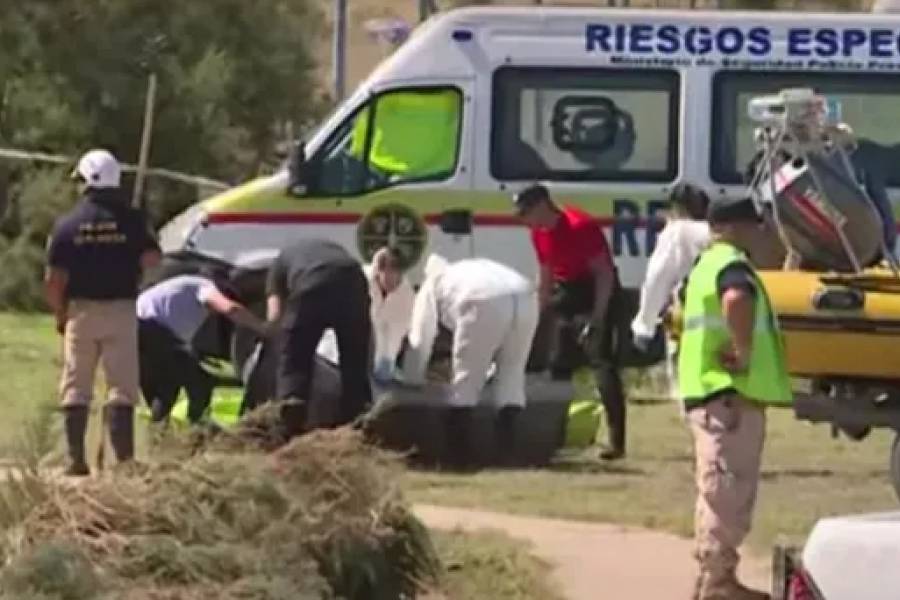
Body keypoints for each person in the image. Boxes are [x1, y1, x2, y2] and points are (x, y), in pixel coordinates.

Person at [678, 195, 792, 600]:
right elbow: (736, 299)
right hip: (728, 393)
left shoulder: (702, 265)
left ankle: (713, 577)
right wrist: (743, 351)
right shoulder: (731, 265)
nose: (761, 233)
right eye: (755, 225)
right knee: (727, 487)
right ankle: (718, 583)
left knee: (716, 488)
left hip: (708, 391)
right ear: (736, 227)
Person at [45, 149, 161, 476]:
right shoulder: (135, 220)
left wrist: (60, 315)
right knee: (122, 388)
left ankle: (75, 461)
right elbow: (153, 259)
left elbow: (54, 280)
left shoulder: (67, 225)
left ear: (86, 181)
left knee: (76, 386)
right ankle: (123, 462)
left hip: (80, 312)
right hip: (122, 310)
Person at [515, 183, 627, 460]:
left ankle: (616, 441)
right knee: (558, 362)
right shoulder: (538, 233)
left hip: (596, 290)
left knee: (601, 363)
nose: (525, 221)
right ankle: (551, 433)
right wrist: (539, 316)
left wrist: (598, 319)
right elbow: (546, 274)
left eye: (526, 213)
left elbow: (603, 274)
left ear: (543, 206)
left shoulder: (579, 226)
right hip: (566, 291)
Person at [401, 254, 539, 469]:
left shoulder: (432, 285)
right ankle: (508, 453)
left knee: (466, 381)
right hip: (525, 294)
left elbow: (420, 339)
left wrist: (412, 381)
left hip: (481, 299)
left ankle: (460, 456)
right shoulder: (468, 270)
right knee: (512, 373)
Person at [265, 238, 372, 437]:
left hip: (311, 285)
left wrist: (270, 335)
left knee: (295, 363)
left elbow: (274, 316)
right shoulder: (333, 248)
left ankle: (288, 428)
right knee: (355, 364)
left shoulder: (278, 265)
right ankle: (357, 428)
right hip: (354, 280)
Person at [136, 270, 269, 424]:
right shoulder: (206, 286)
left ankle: (158, 435)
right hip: (153, 331)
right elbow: (230, 309)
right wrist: (263, 328)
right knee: (201, 385)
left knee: (165, 391)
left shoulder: (182, 287)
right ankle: (195, 432)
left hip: (134, 333)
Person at [317, 246, 415, 383]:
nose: (394, 282)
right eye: (389, 275)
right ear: (379, 271)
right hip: (335, 350)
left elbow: (397, 328)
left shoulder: (406, 293)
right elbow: (346, 320)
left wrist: (388, 359)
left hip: (373, 357)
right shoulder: (358, 281)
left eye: (398, 276)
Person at [632, 183, 711, 349]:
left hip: (690, 319)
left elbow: (657, 278)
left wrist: (644, 325)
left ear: (676, 208)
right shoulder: (718, 232)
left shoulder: (676, 232)